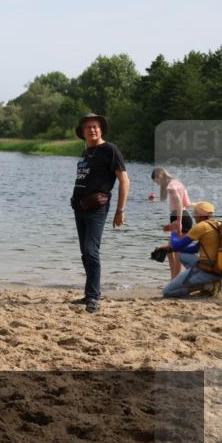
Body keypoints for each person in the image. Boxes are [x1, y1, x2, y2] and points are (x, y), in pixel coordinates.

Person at [70, 113, 130, 313]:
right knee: (85, 253)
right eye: (88, 127)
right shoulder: (86, 152)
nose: (92, 130)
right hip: (79, 207)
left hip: (97, 207)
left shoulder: (110, 150)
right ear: (83, 132)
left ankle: (94, 298)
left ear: (101, 129)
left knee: (91, 251)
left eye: (95, 126)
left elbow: (124, 181)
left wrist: (120, 210)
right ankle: (89, 293)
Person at [162, 202, 222, 298]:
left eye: (195, 213)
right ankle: (209, 282)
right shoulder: (217, 225)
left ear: (200, 215)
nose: (193, 216)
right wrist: (171, 247)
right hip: (219, 270)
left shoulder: (201, 226)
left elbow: (177, 247)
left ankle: (204, 286)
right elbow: (194, 249)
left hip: (207, 271)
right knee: (182, 255)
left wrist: (173, 231)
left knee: (167, 292)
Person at [151, 167, 193, 278]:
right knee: (171, 251)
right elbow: (187, 204)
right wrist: (172, 224)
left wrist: (179, 222)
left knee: (177, 252)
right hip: (181, 217)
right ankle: (173, 279)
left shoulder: (170, 186)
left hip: (180, 218)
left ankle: (175, 281)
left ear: (160, 176)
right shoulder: (178, 183)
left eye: (157, 181)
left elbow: (179, 203)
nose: (158, 184)